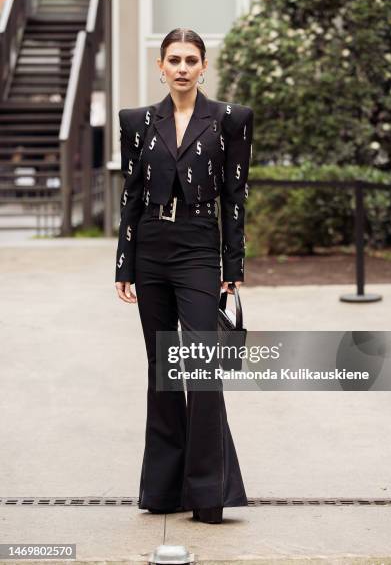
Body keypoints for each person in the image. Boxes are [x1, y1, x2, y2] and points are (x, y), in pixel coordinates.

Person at [114, 28, 253, 524]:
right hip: (151, 247)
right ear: (160, 65)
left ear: (204, 67)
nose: (181, 68)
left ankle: (209, 494)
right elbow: (130, 194)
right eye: (173, 59)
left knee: (201, 369)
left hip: (198, 246)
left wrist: (232, 267)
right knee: (162, 371)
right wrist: (124, 263)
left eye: (190, 60)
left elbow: (235, 197)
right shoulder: (137, 122)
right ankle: (164, 490)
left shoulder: (230, 120)